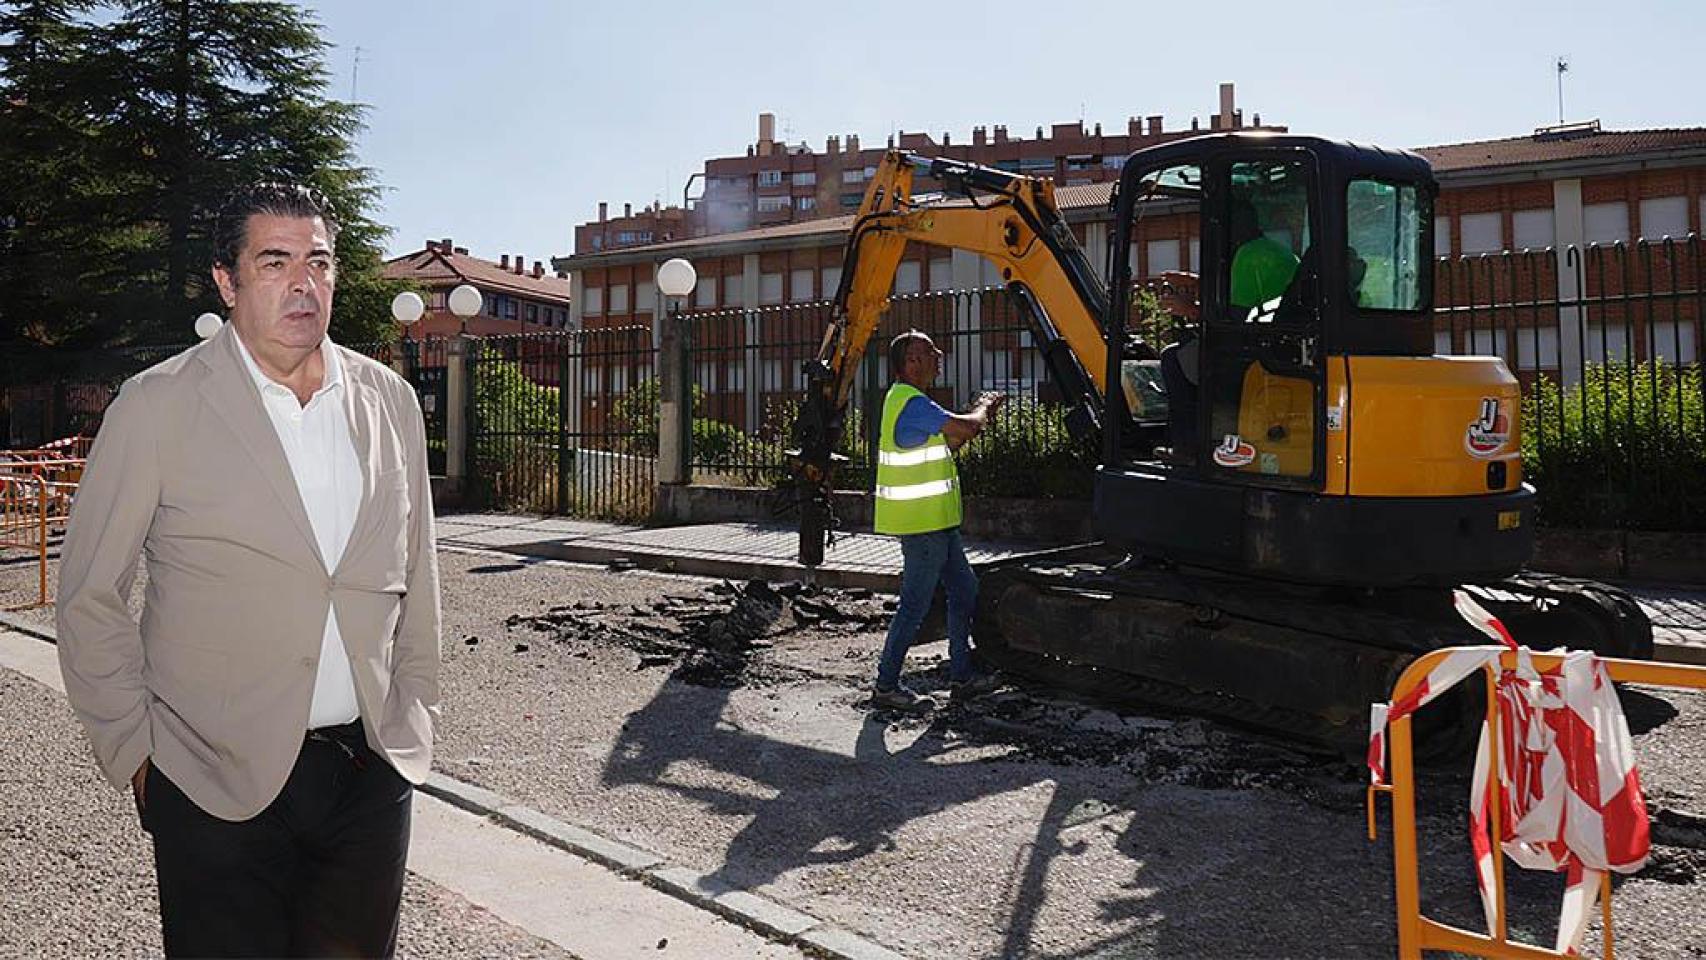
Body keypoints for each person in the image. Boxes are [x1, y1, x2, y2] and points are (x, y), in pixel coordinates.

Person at [56, 182, 440, 959]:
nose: (305, 283)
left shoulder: (390, 400)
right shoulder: (156, 404)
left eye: (320, 262)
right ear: (227, 283)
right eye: (276, 261)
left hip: (370, 773)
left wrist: (415, 714)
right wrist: (136, 754)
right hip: (211, 780)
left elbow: (421, 573)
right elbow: (91, 593)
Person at [870, 329, 1004, 713]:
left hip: (937, 524)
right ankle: (885, 686)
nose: (938, 354)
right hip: (923, 526)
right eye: (930, 351)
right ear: (911, 361)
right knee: (914, 605)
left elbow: (953, 441)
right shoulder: (911, 403)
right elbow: (965, 429)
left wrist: (976, 419)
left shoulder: (913, 403)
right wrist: (982, 406)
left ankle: (961, 676)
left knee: (965, 592)